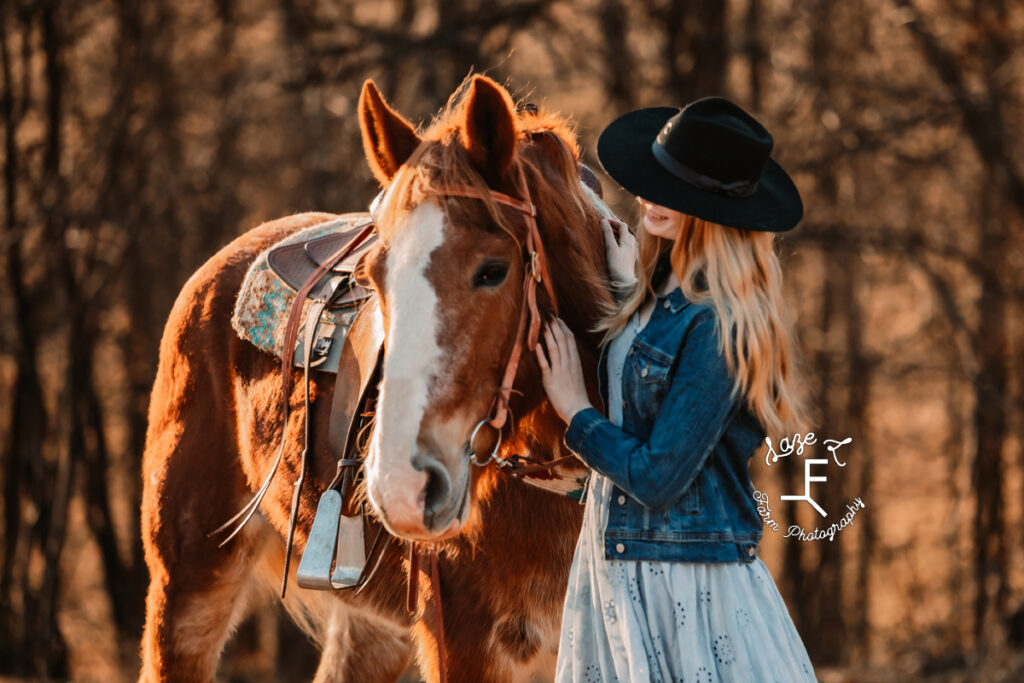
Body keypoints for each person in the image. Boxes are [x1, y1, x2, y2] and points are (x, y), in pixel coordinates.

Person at [535, 97, 818, 682]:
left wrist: (576, 413)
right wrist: (582, 474)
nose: (648, 196)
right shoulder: (657, 298)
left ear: (712, 211)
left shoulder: (719, 324)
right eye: (653, 180)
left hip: (686, 589)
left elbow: (661, 478)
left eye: (672, 190)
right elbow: (652, 433)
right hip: (617, 571)